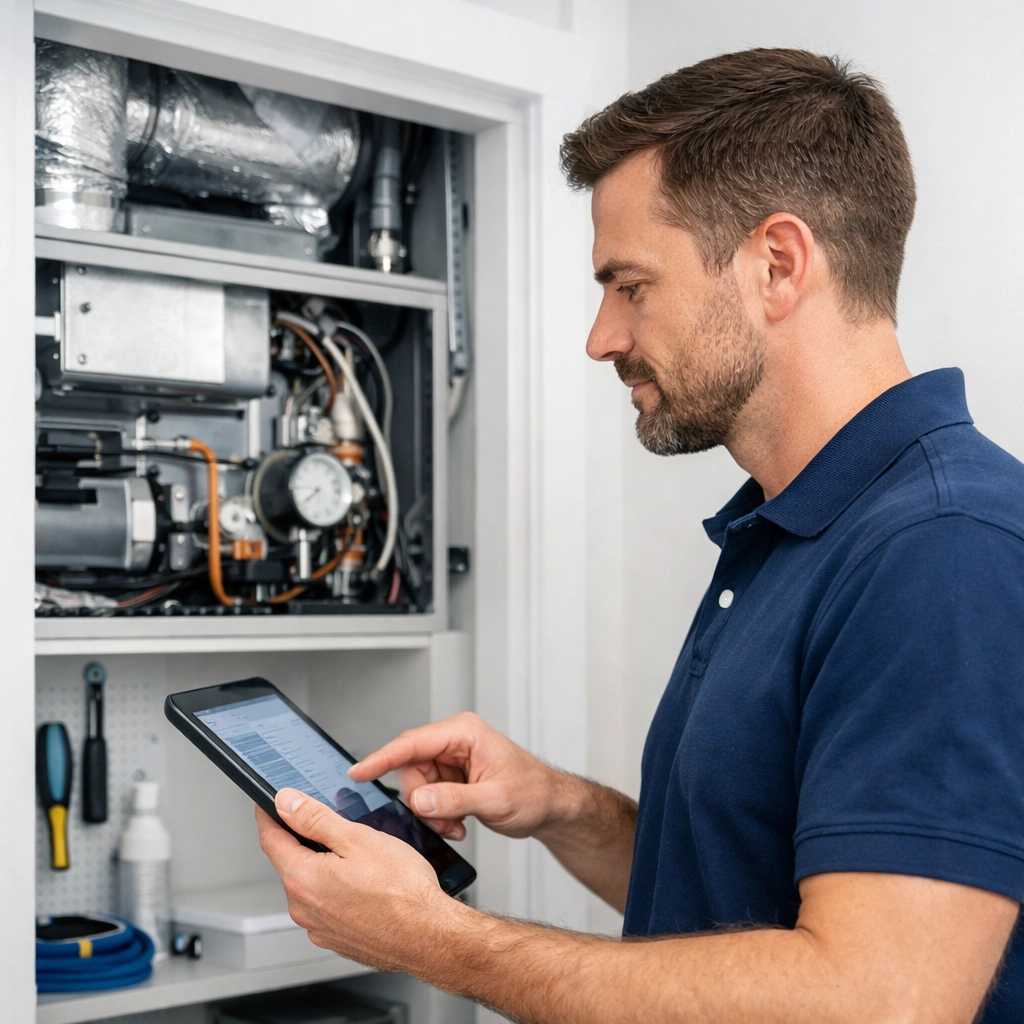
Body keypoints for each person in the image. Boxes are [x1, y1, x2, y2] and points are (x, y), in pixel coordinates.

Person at [256, 48, 1024, 1023]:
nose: (601, 336)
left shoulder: (943, 550)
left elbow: (875, 1002)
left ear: (777, 265)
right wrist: (559, 807)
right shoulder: (786, 529)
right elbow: (734, 905)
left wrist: (435, 941)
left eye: (631, 285)